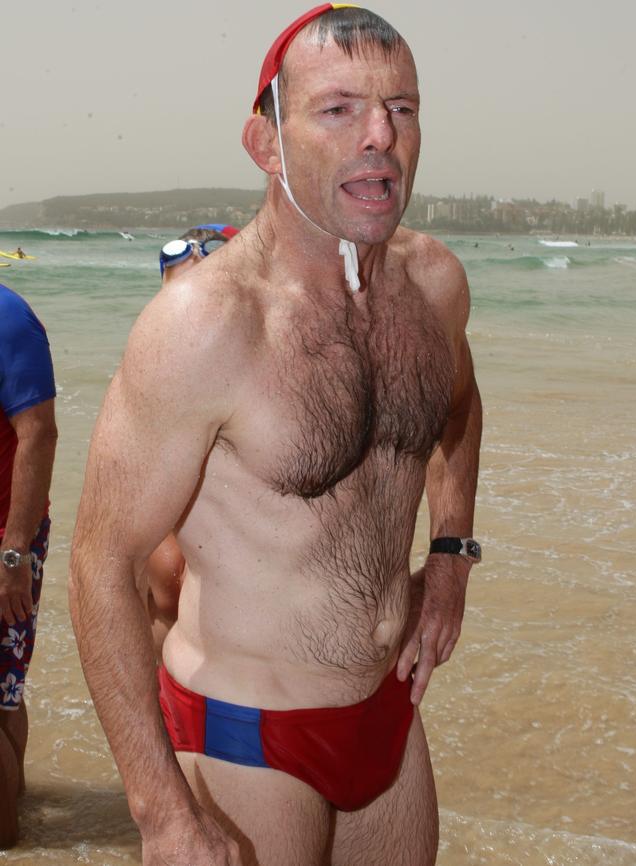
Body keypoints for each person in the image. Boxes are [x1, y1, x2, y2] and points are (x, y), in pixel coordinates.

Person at [69, 6, 482, 866]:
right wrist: (162, 815)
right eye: (338, 109)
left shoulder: (434, 286)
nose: (380, 136)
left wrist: (449, 555)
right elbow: (99, 564)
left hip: (388, 718)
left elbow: (459, 409)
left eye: (402, 109)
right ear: (266, 141)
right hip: (246, 736)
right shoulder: (204, 327)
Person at [147, 224, 238, 656]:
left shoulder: (154, 339)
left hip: (180, 516)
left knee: (170, 610)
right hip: (189, 521)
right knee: (171, 607)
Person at [0, 283, 57, 848]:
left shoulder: (7, 316)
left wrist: (13, 554)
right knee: (4, 694)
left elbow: (39, 432)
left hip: (4, 541)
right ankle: (17, 832)